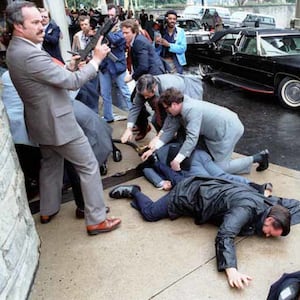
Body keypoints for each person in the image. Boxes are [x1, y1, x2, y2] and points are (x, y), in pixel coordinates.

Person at [5, 1, 121, 235]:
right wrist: (96, 60)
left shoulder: (17, 50)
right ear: (18, 26)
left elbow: (51, 78)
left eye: (41, 20)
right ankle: (97, 219)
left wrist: (71, 66)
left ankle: (47, 209)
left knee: (50, 164)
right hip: (58, 122)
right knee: (88, 165)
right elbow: (72, 83)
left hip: (40, 122)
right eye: (35, 22)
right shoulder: (29, 54)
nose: (42, 25)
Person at [109, 177, 295, 289]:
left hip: (206, 187)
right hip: (187, 195)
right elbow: (225, 235)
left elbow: (292, 206)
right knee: (150, 214)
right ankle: (135, 192)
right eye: (271, 232)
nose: (268, 236)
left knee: (176, 177)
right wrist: (231, 270)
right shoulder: (245, 210)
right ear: (269, 219)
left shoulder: (270, 205)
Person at [143, 88, 269, 175]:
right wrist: (153, 149)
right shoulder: (177, 110)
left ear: (175, 104)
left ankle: (258, 158)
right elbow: (169, 131)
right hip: (215, 129)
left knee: (220, 168)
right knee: (207, 161)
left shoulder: (191, 110)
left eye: (166, 108)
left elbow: (192, 138)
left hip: (227, 130)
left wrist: (177, 160)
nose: (166, 112)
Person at [138, 143, 272, 194]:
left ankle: (246, 193)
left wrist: (161, 183)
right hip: (199, 154)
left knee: (212, 184)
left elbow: (148, 171)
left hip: (189, 165)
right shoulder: (162, 144)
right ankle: (257, 187)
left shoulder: (150, 160)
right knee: (223, 176)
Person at [121, 73, 203, 143]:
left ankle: (183, 143)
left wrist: (164, 133)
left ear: (154, 88)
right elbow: (136, 107)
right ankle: (165, 142)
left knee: (184, 121)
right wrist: (129, 128)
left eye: (147, 95)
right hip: (166, 98)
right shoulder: (142, 89)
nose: (145, 98)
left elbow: (172, 115)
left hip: (188, 90)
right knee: (155, 121)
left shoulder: (168, 89)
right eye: (143, 95)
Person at [121, 19, 165, 141]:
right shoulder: (136, 40)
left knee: (156, 105)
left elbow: (144, 66)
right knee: (136, 100)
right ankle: (143, 124)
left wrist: (131, 77)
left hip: (153, 76)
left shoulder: (139, 42)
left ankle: (152, 130)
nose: (124, 35)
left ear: (134, 31)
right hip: (148, 74)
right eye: (123, 33)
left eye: (126, 33)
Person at [98, 4, 132, 123]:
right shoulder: (104, 27)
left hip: (117, 66)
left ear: (117, 15)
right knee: (105, 93)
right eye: (108, 15)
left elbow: (116, 40)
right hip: (105, 65)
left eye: (112, 15)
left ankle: (135, 117)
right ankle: (108, 116)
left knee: (125, 92)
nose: (110, 17)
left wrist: (104, 31)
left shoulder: (122, 28)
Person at [71, 14, 100, 113]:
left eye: (86, 24)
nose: (84, 26)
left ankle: (95, 112)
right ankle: (90, 112)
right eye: (82, 24)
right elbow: (74, 50)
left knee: (95, 91)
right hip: (83, 67)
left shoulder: (96, 35)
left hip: (95, 66)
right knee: (86, 92)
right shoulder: (77, 36)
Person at [155, 10, 187, 74]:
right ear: (166, 19)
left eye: (174, 19)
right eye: (170, 19)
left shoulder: (180, 32)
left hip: (176, 63)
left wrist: (169, 45)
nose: (172, 21)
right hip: (162, 62)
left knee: (177, 82)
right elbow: (155, 50)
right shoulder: (160, 32)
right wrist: (156, 44)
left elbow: (183, 48)